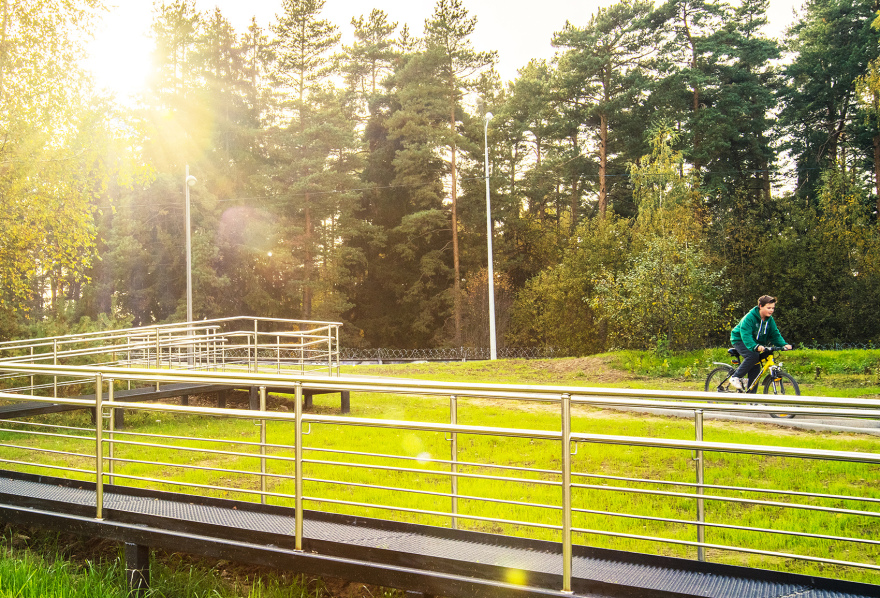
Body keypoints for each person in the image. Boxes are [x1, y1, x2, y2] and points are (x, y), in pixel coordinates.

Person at [728, 295, 792, 392]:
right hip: (740, 339)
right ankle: (735, 377)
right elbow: (746, 334)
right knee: (753, 356)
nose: (771, 310)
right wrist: (755, 346)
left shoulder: (769, 320)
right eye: (769, 308)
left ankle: (751, 400)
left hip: (755, 343)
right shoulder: (750, 317)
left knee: (756, 366)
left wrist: (783, 345)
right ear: (761, 306)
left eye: (773, 308)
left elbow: (775, 334)